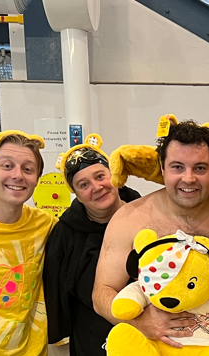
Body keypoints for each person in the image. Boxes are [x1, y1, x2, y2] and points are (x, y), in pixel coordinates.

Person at [93, 119, 209, 348]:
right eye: (178, 167)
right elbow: (102, 294)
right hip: (152, 348)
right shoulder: (130, 219)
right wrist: (141, 322)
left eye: (200, 168)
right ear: (163, 168)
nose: (189, 178)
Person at [43, 134, 141, 356]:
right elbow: (57, 291)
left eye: (100, 176)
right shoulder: (66, 233)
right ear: (76, 194)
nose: (96, 187)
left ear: (114, 175)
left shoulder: (144, 213)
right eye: (83, 184)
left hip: (147, 334)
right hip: (92, 337)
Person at [0, 131, 57, 355]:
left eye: (28, 169)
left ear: (37, 178)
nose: (17, 176)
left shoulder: (44, 224)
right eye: (7, 166)